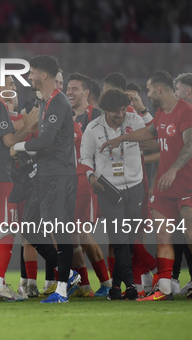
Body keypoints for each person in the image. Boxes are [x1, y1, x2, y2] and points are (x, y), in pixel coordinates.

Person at [101, 70, 192, 301]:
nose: (147, 94)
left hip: (187, 184)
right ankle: (165, 288)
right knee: (163, 237)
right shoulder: (160, 112)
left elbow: (191, 144)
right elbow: (148, 132)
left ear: (158, 89)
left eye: (148, 89)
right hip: (164, 188)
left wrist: (174, 168)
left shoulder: (186, 110)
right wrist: (120, 138)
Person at [11, 55, 81, 303]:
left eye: (31, 72)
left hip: (59, 175)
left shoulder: (59, 101)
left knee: (58, 229)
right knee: (29, 226)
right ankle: (69, 274)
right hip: (45, 174)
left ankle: (61, 289)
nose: (29, 77)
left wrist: (17, 147)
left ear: (43, 75)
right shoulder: (47, 102)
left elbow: (46, 142)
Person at [0, 75, 38, 301]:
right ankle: (0, 285)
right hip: (1, 177)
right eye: (11, 84)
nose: (14, 88)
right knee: (7, 232)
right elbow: (9, 141)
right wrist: (28, 127)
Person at [80, 88, 145, 300]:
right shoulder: (93, 128)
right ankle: (132, 286)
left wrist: (143, 109)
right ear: (105, 110)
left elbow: (154, 135)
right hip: (108, 189)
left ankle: (115, 287)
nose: (120, 114)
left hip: (135, 186)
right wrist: (91, 177)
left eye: (123, 109)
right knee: (119, 239)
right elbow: (85, 158)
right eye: (115, 111)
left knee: (129, 238)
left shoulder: (135, 120)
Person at [65, 73, 111, 297]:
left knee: (82, 233)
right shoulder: (66, 115)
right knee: (71, 235)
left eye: (74, 88)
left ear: (86, 93)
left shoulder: (96, 115)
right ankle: (84, 285)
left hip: (86, 181)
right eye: (68, 88)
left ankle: (107, 283)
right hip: (67, 182)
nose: (69, 92)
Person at [173, 72, 192, 298]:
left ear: (188, 90)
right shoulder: (180, 114)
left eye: (177, 89)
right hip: (190, 182)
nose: (175, 94)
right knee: (188, 234)